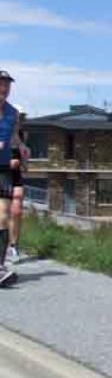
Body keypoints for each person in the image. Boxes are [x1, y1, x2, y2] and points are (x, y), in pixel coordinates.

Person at [0, 70, 23, 287]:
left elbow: (14, 137)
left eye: (7, 85)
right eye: (1, 84)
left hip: (3, 168)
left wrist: (22, 146)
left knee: (4, 215)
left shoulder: (12, 113)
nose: (4, 89)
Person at [8, 109, 29, 264]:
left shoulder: (22, 136)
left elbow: (24, 162)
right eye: (18, 118)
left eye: (22, 118)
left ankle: (13, 245)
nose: (20, 122)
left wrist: (23, 162)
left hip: (15, 175)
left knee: (17, 209)